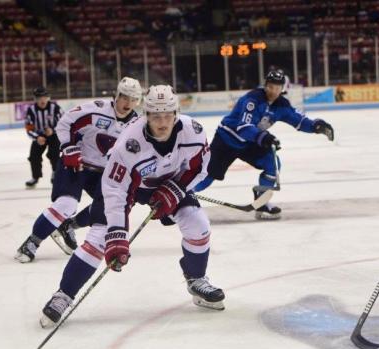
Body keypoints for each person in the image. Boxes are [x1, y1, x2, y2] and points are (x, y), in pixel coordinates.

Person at [39, 85, 224, 328]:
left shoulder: (193, 132)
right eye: (156, 116)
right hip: (127, 188)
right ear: (146, 115)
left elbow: (200, 168)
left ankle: (196, 278)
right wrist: (118, 235)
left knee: (197, 222)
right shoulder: (128, 143)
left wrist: (177, 189)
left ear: (176, 113)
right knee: (100, 236)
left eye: (167, 114)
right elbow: (115, 191)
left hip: (169, 183)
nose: (162, 122)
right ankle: (64, 294)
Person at [15, 77, 143, 262]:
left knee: (112, 206)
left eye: (133, 99)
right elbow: (65, 122)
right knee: (66, 204)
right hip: (76, 164)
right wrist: (68, 147)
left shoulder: (136, 126)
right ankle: (31, 242)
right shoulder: (96, 108)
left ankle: (68, 225)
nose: (128, 103)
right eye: (125, 97)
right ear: (117, 95)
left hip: (102, 173)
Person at [194, 69, 335, 220]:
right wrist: (265, 138)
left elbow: (298, 120)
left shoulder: (282, 105)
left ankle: (261, 202)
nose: (273, 90)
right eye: (270, 86)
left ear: (283, 89)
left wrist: (316, 126)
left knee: (272, 163)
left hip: (250, 142)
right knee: (207, 177)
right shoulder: (253, 100)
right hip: (227, 140)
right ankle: (180, 197)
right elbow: (243, 127)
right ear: (265, 85)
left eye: (277, 87)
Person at [24, 87, 63, 188]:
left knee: (54, 154)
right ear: (35, 99)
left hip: (54, 135)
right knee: (34, 156)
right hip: (39, 136)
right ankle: (35, 177)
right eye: (39, 97)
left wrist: (53, 130)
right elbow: (29, 128)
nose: (42, 100)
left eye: (45, 97)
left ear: (48, 98)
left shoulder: (55, 108)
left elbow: (63, 123)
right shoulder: (31, 110)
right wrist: (37, 138)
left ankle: (55, 173)